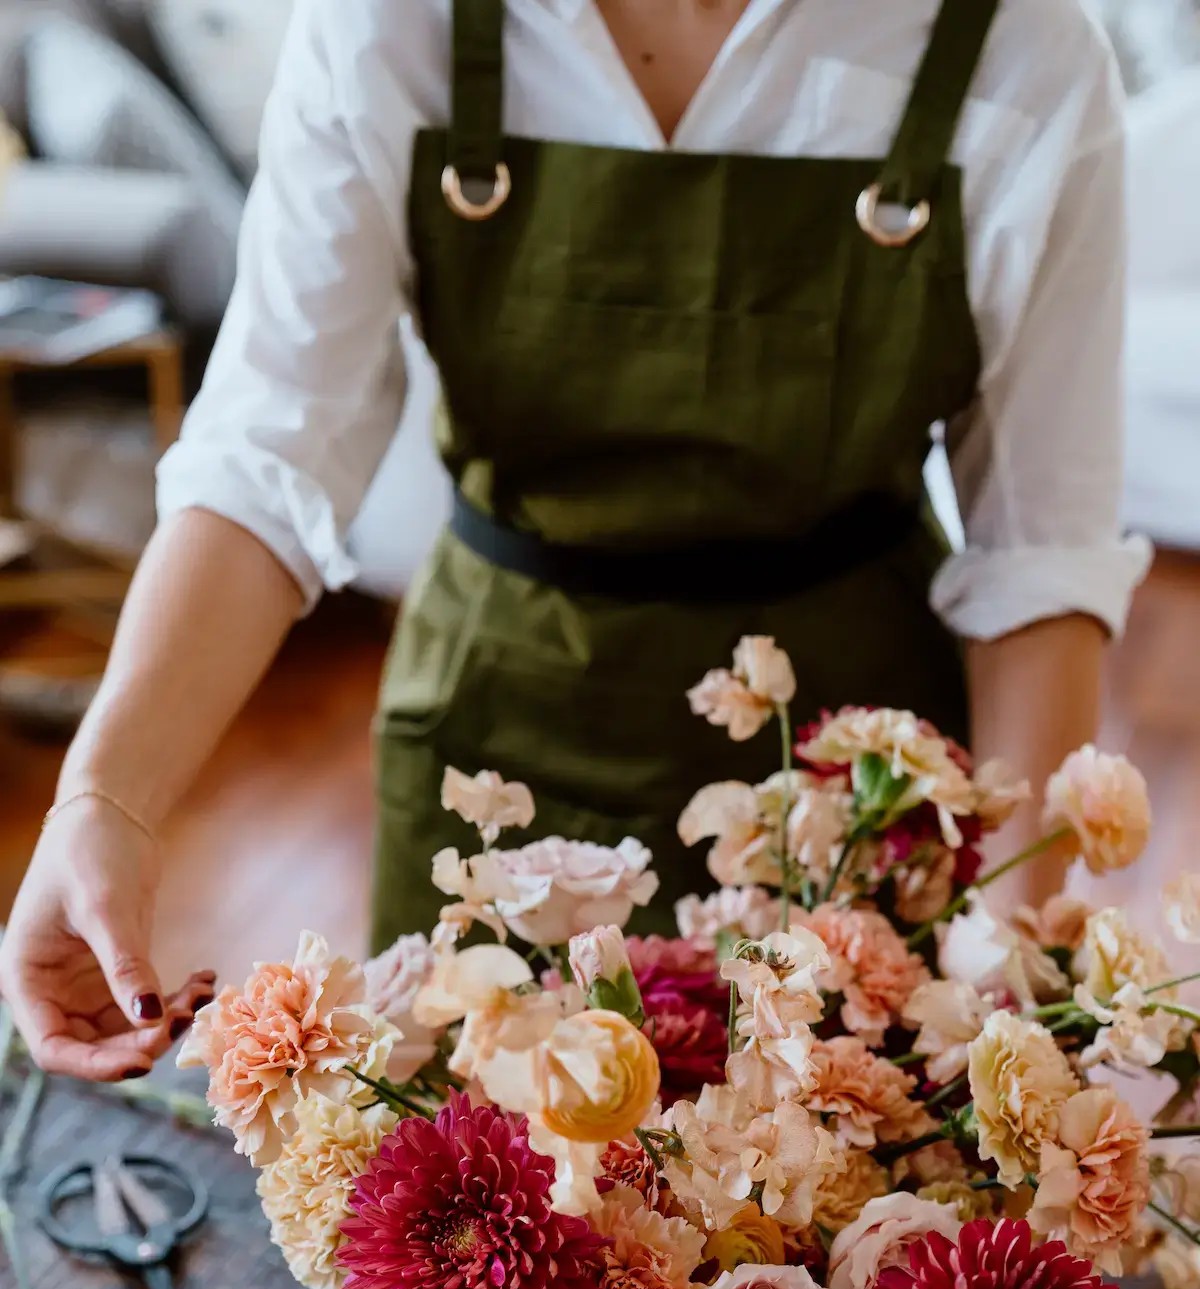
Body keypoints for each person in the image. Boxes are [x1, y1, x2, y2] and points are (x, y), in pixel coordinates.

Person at [0, 0, 1149, 1082]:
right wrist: (106, 804)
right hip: (493, 764)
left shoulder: (1019, 49)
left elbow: (1038, 554)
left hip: (853, 794)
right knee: (471, 1256)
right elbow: (266, 459)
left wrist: (1006, 963)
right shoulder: (394, 22)